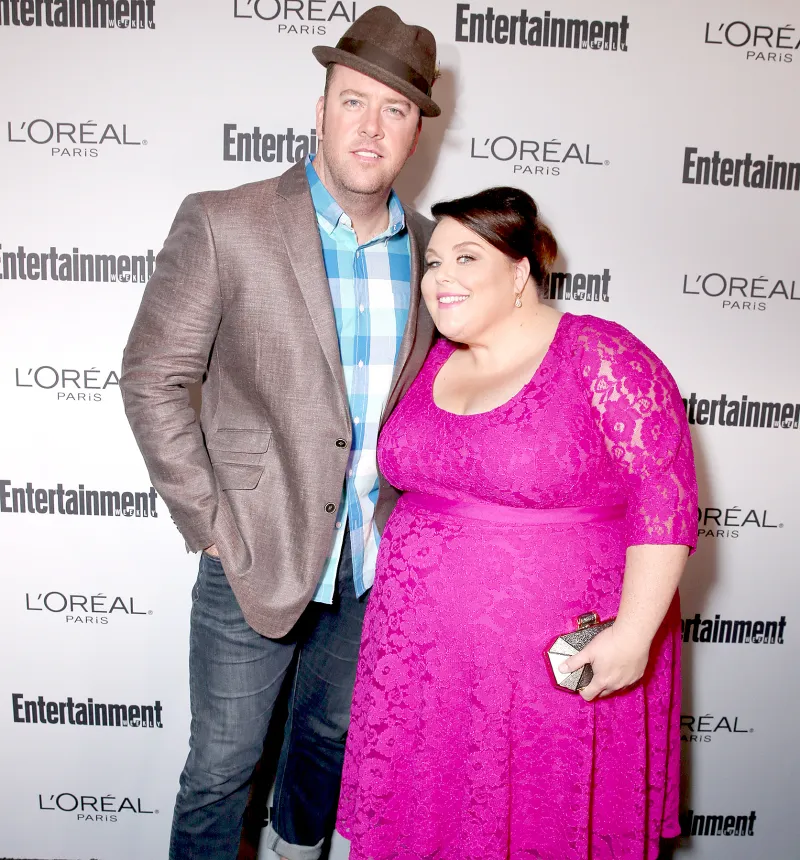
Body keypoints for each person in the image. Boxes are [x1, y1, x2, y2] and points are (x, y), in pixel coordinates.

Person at [119, 8, 441, 860]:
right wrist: (212, 526)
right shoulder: (227, 221)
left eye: (396, 110)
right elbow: (154, 376)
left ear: (416, 131)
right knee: (221, 770)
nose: (371, 127)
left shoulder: (441, 252)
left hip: (374, 562)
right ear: (320, 106)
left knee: (325, 754)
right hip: (251, 553)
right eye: (353, 101)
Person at [337, 187, 697, 860]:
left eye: (466, 259)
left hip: (545, 665)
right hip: (421, 660)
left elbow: (665, 493)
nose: (441, 279)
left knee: (539, 824)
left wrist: (634, 634)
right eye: (434, 262)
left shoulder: (599, 353)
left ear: (521, 270)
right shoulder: (434, 360)